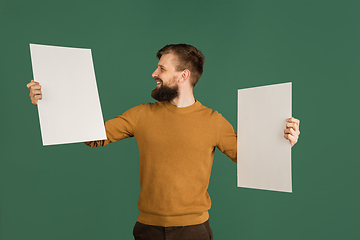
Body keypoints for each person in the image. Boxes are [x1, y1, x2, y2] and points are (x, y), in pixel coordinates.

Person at [27, 44, 300, 240]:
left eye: (161, 68)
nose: (154, 73)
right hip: (147, 229)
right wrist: (50, 100)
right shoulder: (141, 114)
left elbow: (251, 159)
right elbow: (93, 137)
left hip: (194, 230)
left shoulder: (213, 121)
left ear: (184, 76)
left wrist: (284, 142)